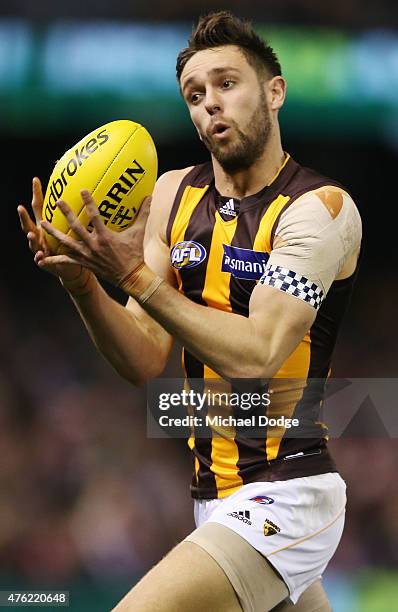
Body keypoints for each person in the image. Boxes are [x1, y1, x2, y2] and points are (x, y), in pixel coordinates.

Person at [18, 11, 362, 612]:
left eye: (227, 84)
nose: (210, 105)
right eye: (195, 95)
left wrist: (131, 274)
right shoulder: (175, 194)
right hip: (212, 495)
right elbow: (146, 358)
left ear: (275, 91)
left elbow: (258, 352)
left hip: (288, 491)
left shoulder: (319, 209)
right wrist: (84, 287)